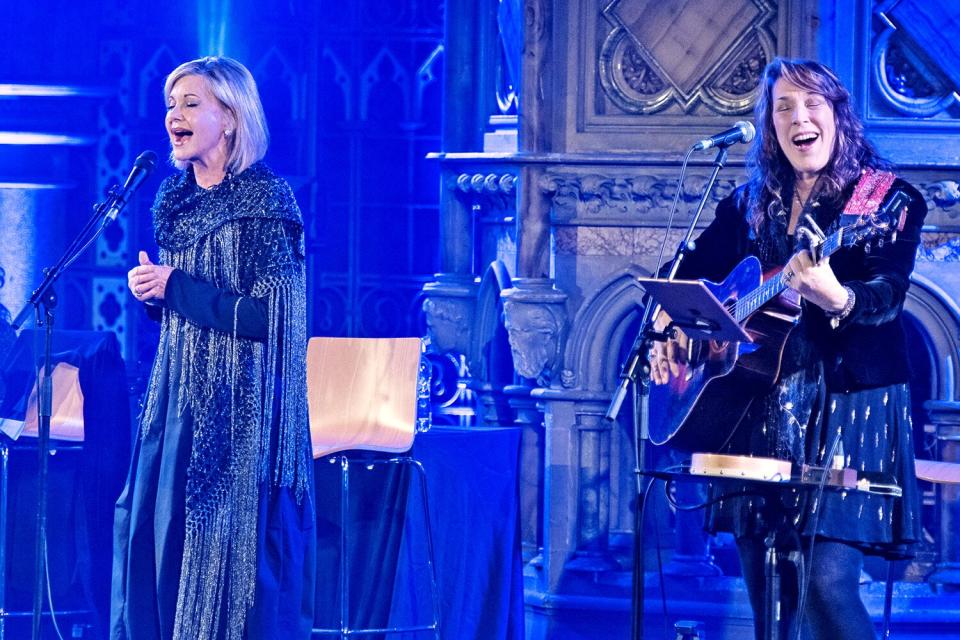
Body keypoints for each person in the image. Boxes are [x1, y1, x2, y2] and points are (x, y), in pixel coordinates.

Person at [649, 58, 926, 640]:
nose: (799, 117)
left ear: (837, 116)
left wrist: (838, 297)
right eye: (784, 108)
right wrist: (666, 332)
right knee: (770, 594)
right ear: (770, 126)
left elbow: (888, 293)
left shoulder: (885, 199)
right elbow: (687, 280)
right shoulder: (746, 202)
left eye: (813, 104)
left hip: (850, 404)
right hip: (755, 408)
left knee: (826, 584)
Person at [111, 56, 315, 639]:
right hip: (177, 397)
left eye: (190, 104)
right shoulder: (172, 202)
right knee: (159, 526)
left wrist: (176, 287)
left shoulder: (265, 202)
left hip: (242, 407)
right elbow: (188, 304)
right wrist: (155, 293)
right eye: (170, 106)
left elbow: (269, 317)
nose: (174, 116)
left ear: (230, 117)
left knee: (229, 547)